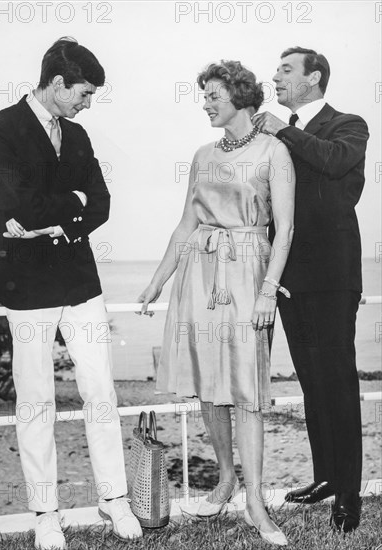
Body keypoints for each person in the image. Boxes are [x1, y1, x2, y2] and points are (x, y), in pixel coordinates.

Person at [0, 37, 142, 549]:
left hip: (79, 280)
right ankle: (45, 514)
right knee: (35, 402)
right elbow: (12, 203)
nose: (87, 103)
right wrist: (70, 203)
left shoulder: (78, 136)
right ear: (56, 84)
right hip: (26, 286)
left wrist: (59, 222)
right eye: (84, 93)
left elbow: (102, 205)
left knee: (101, 393)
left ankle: (114, 500)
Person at [138, 60, 295, 546]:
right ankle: (226, 478)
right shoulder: (203, 153)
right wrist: (158, 281)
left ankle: (255, 502)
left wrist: (269, 290)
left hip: (248, 271)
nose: (205, 102)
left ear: (241, 97)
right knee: (209, 384)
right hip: (200, 272)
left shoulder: (275, 151)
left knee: (246, 387)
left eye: (213, 95)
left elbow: (285, 229)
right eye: (204, 95)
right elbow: (186, 224)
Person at [253, 47, 369, 533]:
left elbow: (334, 161)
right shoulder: (284, 135)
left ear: (313, 78)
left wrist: (280, 127)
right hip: (290, 277)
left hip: (332, 276)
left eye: (285, 70)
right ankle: (324, 476)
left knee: (338, 384)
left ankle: (348, 493)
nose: (274, 76)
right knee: (310, 382)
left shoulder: (348, 124)